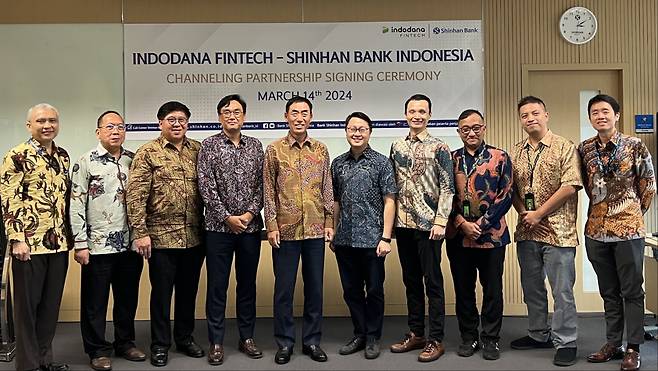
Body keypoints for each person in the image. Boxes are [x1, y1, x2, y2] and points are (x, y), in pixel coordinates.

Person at [579, 94, 656, 371]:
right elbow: (589, 187)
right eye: (595, 112)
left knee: (632, 291)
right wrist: (602, 212)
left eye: (605, 111)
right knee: (609, 292)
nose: (600, 116)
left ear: (617, 115)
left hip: (628, 231)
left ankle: (633, 348)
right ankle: (613, 343)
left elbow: (648, 187)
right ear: (590, 118)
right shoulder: (585, 148)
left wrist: (630, 215)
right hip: (596, 232)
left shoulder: (635, 146)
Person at [126, 101, 205, 367]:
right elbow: (135, 196)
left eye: (182, 119)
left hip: (194, 236)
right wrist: (141, 232)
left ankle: (184, 338)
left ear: (188, 123)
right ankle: (160, 344)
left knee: (187, 292)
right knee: (161, 293)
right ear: (160, 123)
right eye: (171, 119)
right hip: (159, 237)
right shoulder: (148, 152)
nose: (177, 124)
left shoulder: (197, 149)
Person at [70, 111, 145, 371]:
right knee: (95, 301)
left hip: (129, 243)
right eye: (110, 126)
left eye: (120, 127)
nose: (116, 131)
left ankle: (125, 342)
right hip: (97, 245)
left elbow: (141, 201)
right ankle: (97, 349)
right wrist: (80, 243)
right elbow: (76, 203)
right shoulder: (86, 161)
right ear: (98, 131)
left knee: (127, 298)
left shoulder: (134, 160)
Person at [510, 96, 582, 367]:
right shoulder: (515, 151)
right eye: (525, 115)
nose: (531, 118)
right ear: (521, 120)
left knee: (562, 290)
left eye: (535, 113)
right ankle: (538, 333)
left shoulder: (565, 147)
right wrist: (524, 213)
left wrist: (539, 213)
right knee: (532, 288)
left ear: (546, 114)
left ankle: (566, 341)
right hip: (527, 231)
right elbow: (512, 190)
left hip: (558, 233)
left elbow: (570, 186)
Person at [0, 103, 72, 371]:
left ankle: (45, 360)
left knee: (50, 306)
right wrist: (16, 238)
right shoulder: (17, 155)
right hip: (28, 243)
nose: (47, 125)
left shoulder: (62, 156)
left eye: (52, 120)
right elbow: (9, 198)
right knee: (27, 310)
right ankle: (28, 365)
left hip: (58, 243)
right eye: (41, 121)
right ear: (29, 125)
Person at [263, 96, 333, 365]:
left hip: (315, 230)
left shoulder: (321, 149)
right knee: (284, 290)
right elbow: (268, 190)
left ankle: (312, 341)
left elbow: (327, 188)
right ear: (286, 116)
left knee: (315, 288)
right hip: (285, 231)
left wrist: (329, 223)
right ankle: (285, 342)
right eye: (295, 113)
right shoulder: (274, 150)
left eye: (305, 113)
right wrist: (271, 225)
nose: (299, 117)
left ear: (311, 117)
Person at [197, 95, 264, 365]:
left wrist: (248, 214)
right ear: (219, 117)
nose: (232, 116)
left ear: (244, 116)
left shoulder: (256, 146)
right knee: (217, 286)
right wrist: (226, 217)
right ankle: (216, 341)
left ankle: (246, 337)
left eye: (237, 111)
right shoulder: (209, 146)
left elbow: (263, 185)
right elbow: (205, 187)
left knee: (247, 285)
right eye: (227, 112)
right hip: (218, 229)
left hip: (250, 228)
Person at [389, 94, 454, 362]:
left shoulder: (440, 147)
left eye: (422, 111)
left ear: (429, 115)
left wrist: (441, 221)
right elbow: (392, 185)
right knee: (411, 280)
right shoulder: (396, 146)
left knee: (432, 282)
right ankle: (416, 333)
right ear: (405, 114)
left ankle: (436, 339)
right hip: (403, 225)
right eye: (412, 111)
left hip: (429, 227)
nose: (417, 115)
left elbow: (448, 188)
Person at [445, 109, 512, 361]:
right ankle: (468, 336)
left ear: (483, 128)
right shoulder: (450, 159)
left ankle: (491, 339)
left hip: (492, 236)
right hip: (458, 236)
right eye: (465, 129)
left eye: (476, 127)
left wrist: (482, 224)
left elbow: (506, 195)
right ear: (459, 131)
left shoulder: (500, 157)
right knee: (463, 289)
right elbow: (444, 196)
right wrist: (461, 222)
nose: (471, 132)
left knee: (492, 289)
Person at [330, 112, 397, 360]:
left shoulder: (381, 163)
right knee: (351, 291)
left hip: (373, 240)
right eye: (352, 129)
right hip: (345, 240)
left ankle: (372, 337)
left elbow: (390, 201)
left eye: (362, 129)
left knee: (375, 290)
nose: (357, 133)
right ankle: (359, 333)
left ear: (370, 132)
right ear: (346, 131)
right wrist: (334, 231)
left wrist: (386, 238)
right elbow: (335, 201)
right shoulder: (337, 163)